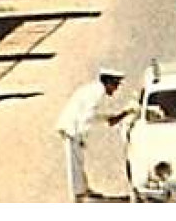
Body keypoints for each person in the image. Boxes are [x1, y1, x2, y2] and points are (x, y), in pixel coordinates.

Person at [55, 67, 130, 202]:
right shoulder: (97, 92)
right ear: (108, 82)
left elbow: (94, 115)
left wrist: (110, 118)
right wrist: (82, 136)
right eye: (115, 84)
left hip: (74, 126)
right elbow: (87, 116)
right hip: (73, 128)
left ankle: (83, 189)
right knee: (74, 163)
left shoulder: (94, 89)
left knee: (79, 160)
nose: (116, 88)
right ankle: (77, 196)